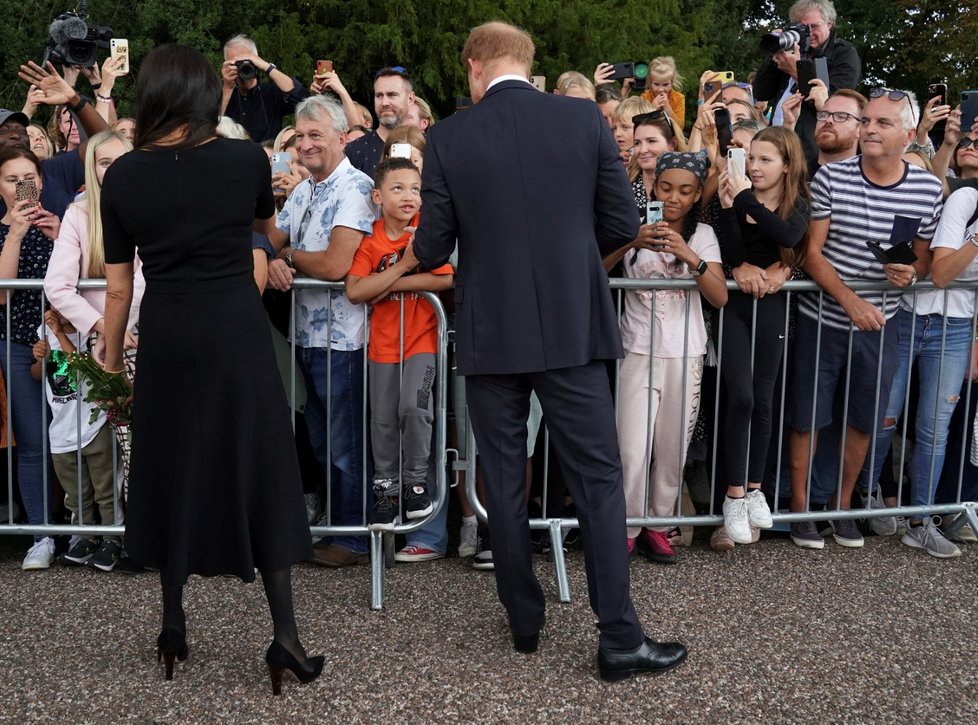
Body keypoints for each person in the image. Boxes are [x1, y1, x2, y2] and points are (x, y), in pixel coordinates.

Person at [412, 20, 687, 681]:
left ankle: (524, 620)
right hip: (570, 326)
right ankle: (618, 636)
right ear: (525, 64)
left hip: (489, 328)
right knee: (596, 479)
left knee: (503, 480)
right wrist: (565, 265)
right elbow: (623, 223)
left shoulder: (448, 136)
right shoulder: (585, 122)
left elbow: (429, 247)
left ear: (474, 66)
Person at [99, 43, 322, 693]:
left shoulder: (124, 177)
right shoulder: (243, 158)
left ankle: (172, 624)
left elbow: (118, 290)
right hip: (236, 331)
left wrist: (112, 366)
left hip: (168, 330)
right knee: (260, 465)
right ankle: (285, 637)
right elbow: (264, 229)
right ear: (203, 94)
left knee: (170, 464)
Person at [787, 89, 942, 549]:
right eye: (868, 121)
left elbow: (924, 260)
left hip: (883, 324)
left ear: (909, 134)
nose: (871, 129)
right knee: (807, 418)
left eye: (883, 123)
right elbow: (810, 255)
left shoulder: (928, 188)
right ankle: (799, 513)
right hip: (824, 320)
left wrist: (911, 272)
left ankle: (842, 507)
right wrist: (851, 301)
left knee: (864, 420)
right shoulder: (832, 177)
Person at [266, 94, 377, 568]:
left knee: (345, 441)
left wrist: (286, 258)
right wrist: (271, 256)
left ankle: (353, 537)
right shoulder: (304, 189)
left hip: (344, 339)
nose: (308, 143)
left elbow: (336, 264)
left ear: (342, 137)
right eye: (301, 134)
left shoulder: (355, 186)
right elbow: (270, 239)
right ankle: (336, 526)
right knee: (320, 438)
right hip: (306, 336)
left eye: (317, 135)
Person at [603, 151, 726, 563]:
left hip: (686, 352)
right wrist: (630, 241)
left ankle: (658, 524)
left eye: (685, 191)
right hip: (636, 348)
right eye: (666, 188)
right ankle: (625, 527)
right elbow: (596, 272)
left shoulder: (703, 234)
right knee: (631, 448)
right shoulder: (631, 229)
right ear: (654, 188)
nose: (673, 198)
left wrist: (690, 256)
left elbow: (720, 296)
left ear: (696, 196)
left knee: (672, 449)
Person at [860, 184, 978, 558]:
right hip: (912, 315)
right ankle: (864, 499)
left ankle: (920, 523)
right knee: (886, 417)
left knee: (935, 428)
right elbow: (941, 273)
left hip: (958, 327)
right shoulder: (967, 199)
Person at [43, 129, 143, 570]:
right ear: (91, 168)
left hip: (145, 341)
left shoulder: (149, 208)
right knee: (106, 446)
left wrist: (122, 328)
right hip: (96, 351)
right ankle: (113, 535)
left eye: (120, 160)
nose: (112, 169)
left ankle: (143, 536)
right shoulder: (79, 214)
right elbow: (56, 285)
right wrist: (102, 325)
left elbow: (146, 278)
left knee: (139, 446)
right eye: (103, 162)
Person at [345, 157, 454, 537]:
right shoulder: (371, 239)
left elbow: (443, 279)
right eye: (397, 188)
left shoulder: (426, 232)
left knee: (415, 407)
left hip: (421, 340)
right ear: (377, 196)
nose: (408, 196)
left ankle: (415, 483)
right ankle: (386, 489)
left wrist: (387, 284)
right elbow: (356, 289)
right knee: (383, 419)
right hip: (383, 347)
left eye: (415, 189)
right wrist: (403, 266)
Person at [715, 126, 809, 544]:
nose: (753, 166)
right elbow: (730, 248)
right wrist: (739, 264)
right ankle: (733, 496)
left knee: (765, 399)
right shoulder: (732, 199)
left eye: (765, 159)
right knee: (742, 397)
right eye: (751, 158)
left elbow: (790, 237)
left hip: (772, 308)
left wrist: (745, 199)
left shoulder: (797, 204)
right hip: (735, 306)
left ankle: (755, 490)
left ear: (787, 165)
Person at [0, 146, 62, 570]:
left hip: (65, 351)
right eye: (10, 178)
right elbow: (3, 292)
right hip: (18, 348)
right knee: (33, 443)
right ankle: (42, 535)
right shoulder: (3, 230)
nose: (22, 184)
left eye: (29, 175)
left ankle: (84, 529)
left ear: (40, 179)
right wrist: (17, 233)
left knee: (79, 434)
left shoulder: (62, 221)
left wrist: (58, 233)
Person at [31, 308, 120, 569]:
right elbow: (37, 375)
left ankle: (113, 539)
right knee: (76, 493)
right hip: (62, 429)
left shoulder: (91, 332)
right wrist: (40, 359)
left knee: (105, 489)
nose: (60, 310)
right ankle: (86, 537)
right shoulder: (44, 333)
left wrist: (60, 332)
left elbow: (87, 369)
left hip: (94, 425)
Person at [752, 0, 861, 168]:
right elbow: (761, 92)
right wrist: (774, 55)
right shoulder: (790, 51)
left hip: (812, 153)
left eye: (813, 27)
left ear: (829, 24)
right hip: (777, 145)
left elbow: (835, 103)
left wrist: (796, 71)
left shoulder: (844, 53)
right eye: (801, 28)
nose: (808, 34)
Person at [220, 34, 308, 143]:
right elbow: (210, 127)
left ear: (256, 60)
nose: (242, 67)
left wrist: (267, 67)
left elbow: (302, 100)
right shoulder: (221, 93)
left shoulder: (272, 92)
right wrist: (227, 88)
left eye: (246, 61)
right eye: (236, 63)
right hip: (233, 157)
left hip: (269, 157)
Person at [344, 67, 415, 176]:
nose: (385, 102)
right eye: (379, 95)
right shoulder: (354, 151)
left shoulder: (430, 147)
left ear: (410, 99)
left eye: (392, 95)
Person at [639, 57, 686, 128]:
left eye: (665, 85)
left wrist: (668, 109)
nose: (661, 89)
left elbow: (680, 127)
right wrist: (652, 109)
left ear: (671, 82)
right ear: (650, 82)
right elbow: (639, 125)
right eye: (656, 84)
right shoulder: (644, 98)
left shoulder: (678, 98)